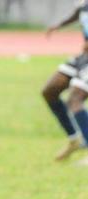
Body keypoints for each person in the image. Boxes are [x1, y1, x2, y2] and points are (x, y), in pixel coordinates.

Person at [43, 0, 88, 163]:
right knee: (50, 90)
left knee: (75, 99)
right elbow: (79, 12)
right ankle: (74, 138)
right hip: (83, 57)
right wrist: (59, 25)